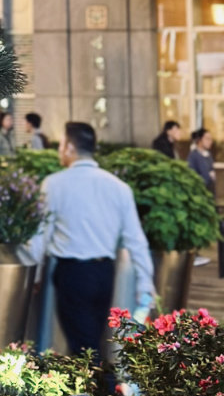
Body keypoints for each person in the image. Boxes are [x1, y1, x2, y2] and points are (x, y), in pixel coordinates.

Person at [24, 121, 153, 359]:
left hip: (72, 274)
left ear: (70, 148)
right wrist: (146, 283)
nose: (59, 150)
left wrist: (36, 274)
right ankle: (98, 387)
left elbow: (41, 233)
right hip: (104, 273)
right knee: (91, 338)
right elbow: (136, 239)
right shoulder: (119, 187)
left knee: (84, 348)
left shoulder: (54, 184)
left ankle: (99, 390)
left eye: (61, 144)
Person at [188, 128, 216, 193]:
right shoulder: (193, 156)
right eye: (207, 139)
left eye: (211, 139)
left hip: (209, 191)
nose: (210, 141)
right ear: (199, 140)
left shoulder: (208, 155)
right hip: (199, 193)